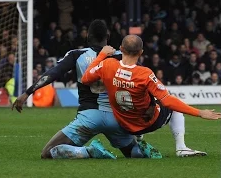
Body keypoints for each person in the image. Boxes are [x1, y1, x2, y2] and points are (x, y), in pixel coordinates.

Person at [12, 19, 161, 159]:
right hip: (116, 118)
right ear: (107, 36)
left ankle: (88, 151)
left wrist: (27, 93)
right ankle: (139, 149)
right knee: (132, 153)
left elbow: (53, 73)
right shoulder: (121, 56)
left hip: (89, 117)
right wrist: (152, 104)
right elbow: (144, 78)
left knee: (48, 153)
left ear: (88, 36)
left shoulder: (77, 55)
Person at [81, 35, 221, 157]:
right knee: (174, 105)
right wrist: (200, 112)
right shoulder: (144, 74)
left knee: (149, 99)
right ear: (141, 52)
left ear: (121, 49)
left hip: (123, 124)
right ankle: (181, 148)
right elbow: (167, 101)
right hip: (146, 123)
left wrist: (101, 55)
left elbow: (85, 79)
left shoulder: (107, 64)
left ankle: (139, 138)